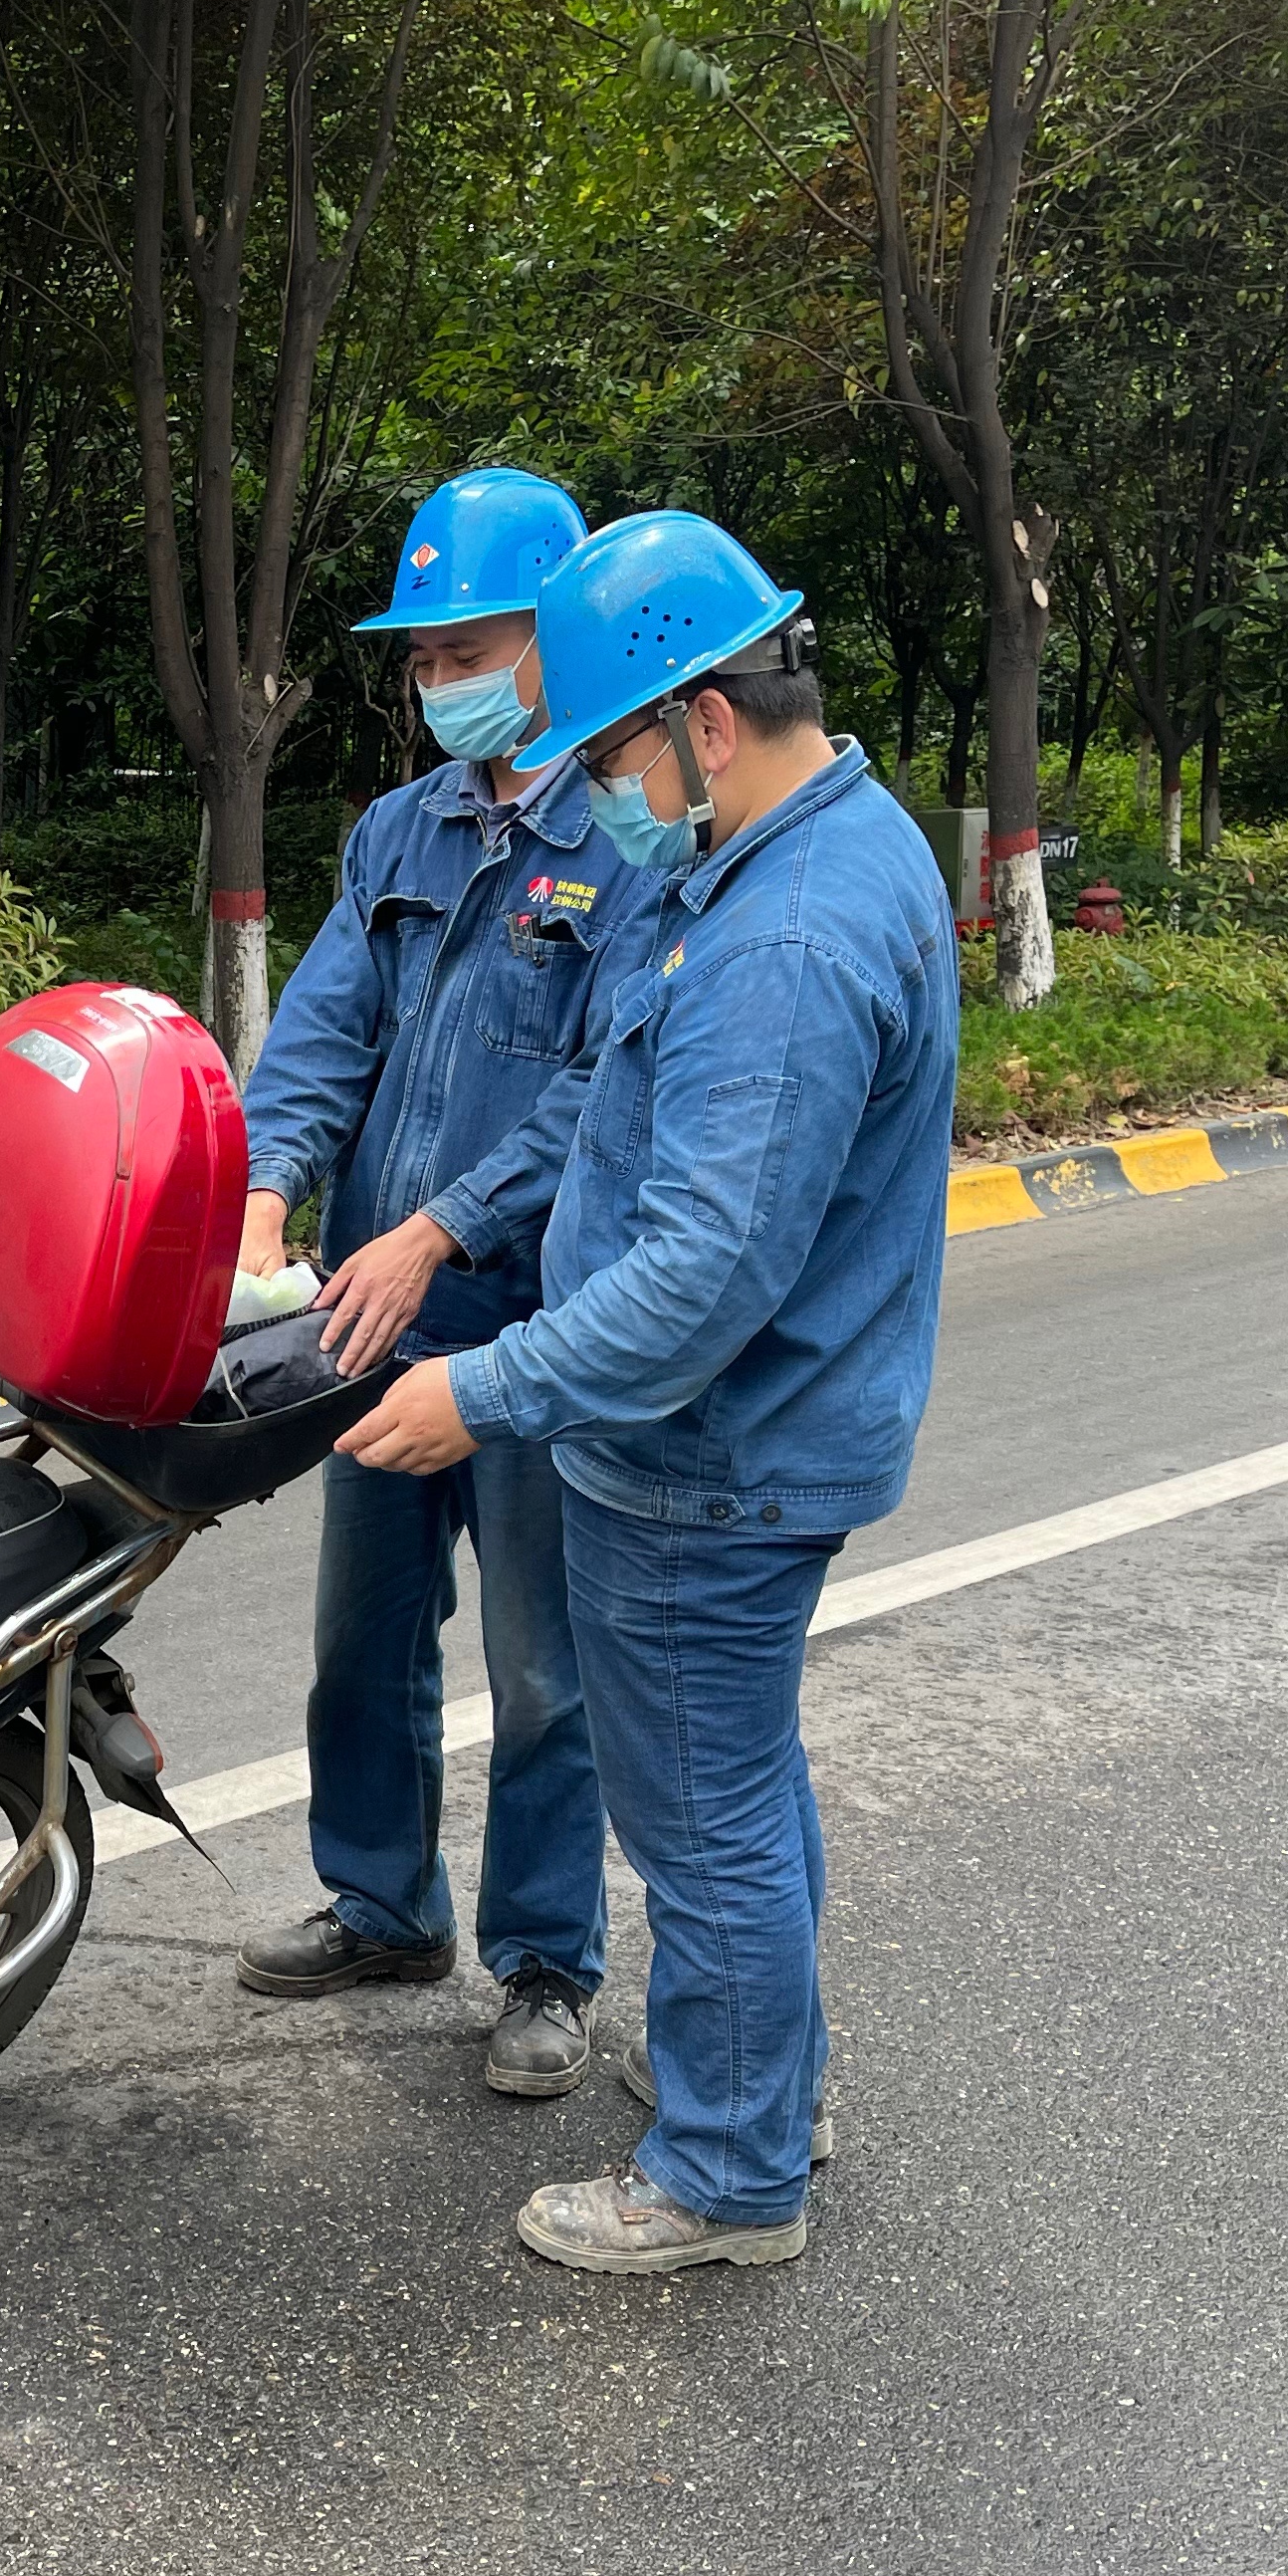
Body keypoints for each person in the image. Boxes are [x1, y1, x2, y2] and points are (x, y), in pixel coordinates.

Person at [336, 508, 957, 2274]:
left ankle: (726, 2172)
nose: (597, 787)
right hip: (749, 1437)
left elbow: (700, 1277)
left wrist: (485, 1390)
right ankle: (770, 2086)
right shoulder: (810, 849)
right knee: (738, 1786)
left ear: (705, 719)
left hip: (710, 1456)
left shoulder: (782, 937)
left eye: (609, 751)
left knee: (698, 1817)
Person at [224, 466, 641, 2101]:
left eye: (467, 650)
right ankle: (382, 1903)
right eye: (420, 657)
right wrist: (269, 1183)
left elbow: (605, 1083)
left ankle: (543, 1958)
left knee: (542, 1665)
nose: (437, 681)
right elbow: (326, 1028)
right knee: (364, 1634)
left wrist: (442, 1226)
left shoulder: (623, 837)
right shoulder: (399, 831)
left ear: (552, 640)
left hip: (527, 1317)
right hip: (369, 1316)